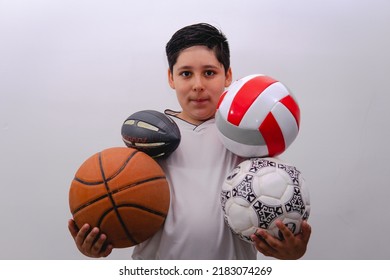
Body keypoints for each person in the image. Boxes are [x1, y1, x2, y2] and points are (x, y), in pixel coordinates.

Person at [68, 22, 311, 259]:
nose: (198, 85)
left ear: (227, 75)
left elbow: (278, 210)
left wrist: (292, 248)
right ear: (171, 78)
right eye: (186, 74)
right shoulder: (147, 139)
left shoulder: (250, 137)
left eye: (209, 73)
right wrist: (101, 239)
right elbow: (120, 213)